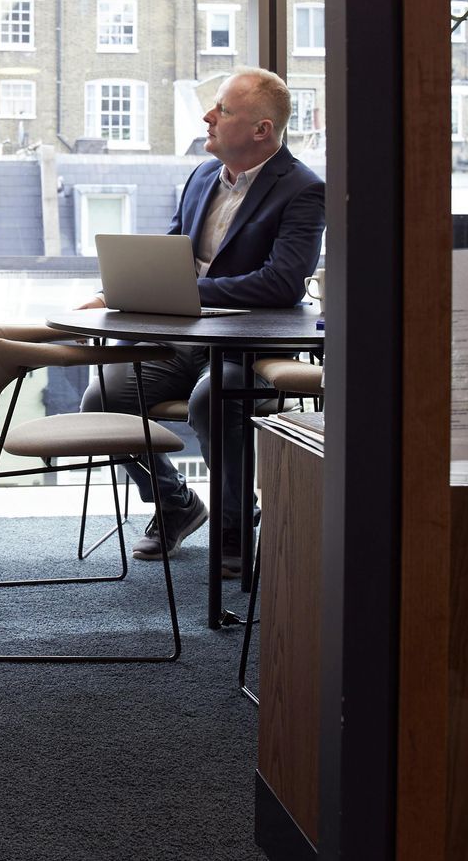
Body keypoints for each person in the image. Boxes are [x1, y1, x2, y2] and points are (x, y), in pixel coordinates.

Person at [78, 67, 323, 576]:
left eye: (224, 110)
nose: (208, 117)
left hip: (250, 349)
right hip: (186, 341)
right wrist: (119, 290)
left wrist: (187, 292)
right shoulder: (200, 178)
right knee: (103, 398)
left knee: (212, 400)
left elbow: (279, 284)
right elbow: (172, 255)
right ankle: (175, 502)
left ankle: (235, 524)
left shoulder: (302, 189)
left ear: (261, 130)